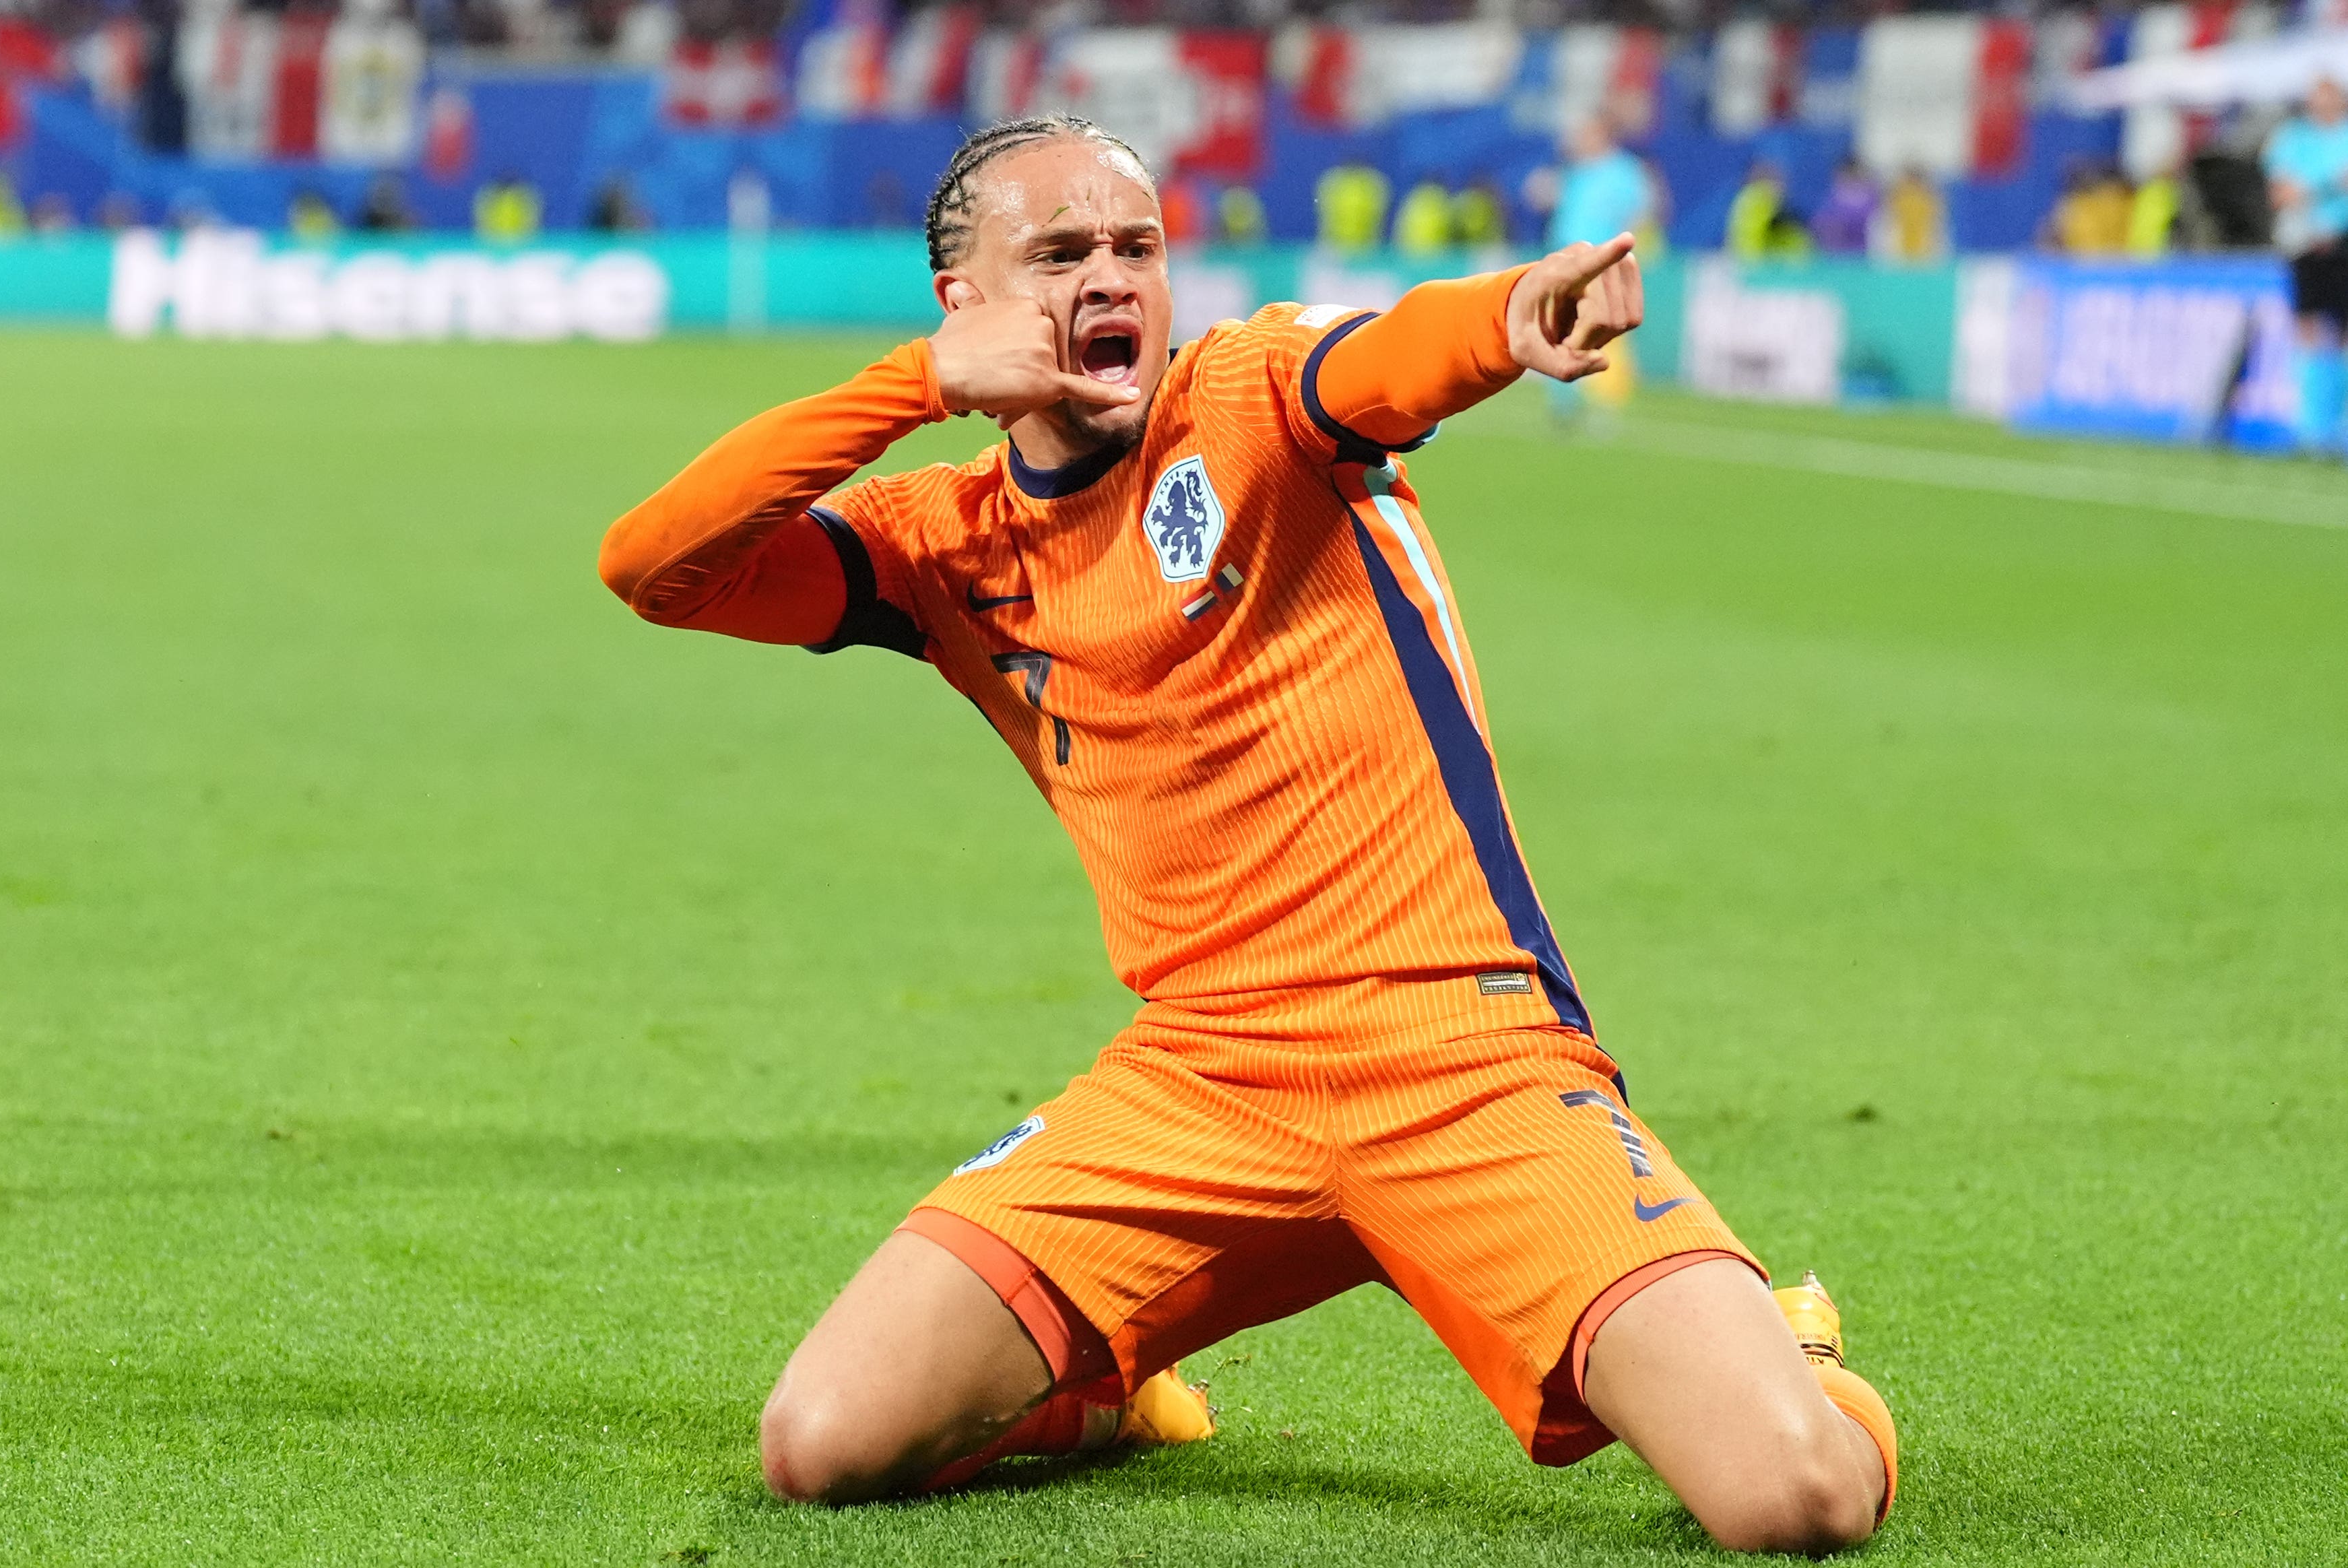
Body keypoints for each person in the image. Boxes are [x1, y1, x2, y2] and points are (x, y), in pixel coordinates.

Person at [597, 113, 1899, 1554]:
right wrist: (910, 390)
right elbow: (654, 568)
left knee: (1797, 1501)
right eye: (1060, 254)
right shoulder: (937, 545)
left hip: (1461, 1061)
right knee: (822, 1442)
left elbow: (1402, 354)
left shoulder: (1258, 395)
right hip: (1201, 1083)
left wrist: (1518, 313)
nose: (1111, 280)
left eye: (1136, 248)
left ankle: (1796, 1360)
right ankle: (1108, 1389)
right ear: (966, 302)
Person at [1544, 116, 1657, 418]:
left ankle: (1607, 402)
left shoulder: (1626, 172)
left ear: (1603, 135)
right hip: (1567, 262)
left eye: (1586, 134)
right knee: (1561, 328)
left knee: (1605, 328)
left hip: (1602, 262)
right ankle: (1564, 400)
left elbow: (1644, 213)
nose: (1580, 140)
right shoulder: (1576, 172)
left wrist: (1627, 254)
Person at [2264, 75, 2348, 455]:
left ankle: (2340, 424)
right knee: (2309, 326)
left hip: (2343, 242)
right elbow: (2282, 193)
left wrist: (2307, 188)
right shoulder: (2292, 138)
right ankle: (2312, 426)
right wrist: (2329, 184)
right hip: (2306, 245)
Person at [1812, 158, 1878, 255]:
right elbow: (1821, 226)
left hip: (1864, 256)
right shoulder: (1832, 200)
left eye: (1855, 175)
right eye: (1848, 176)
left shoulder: (1872, 199)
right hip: (1836, 256)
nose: (1852, 179)